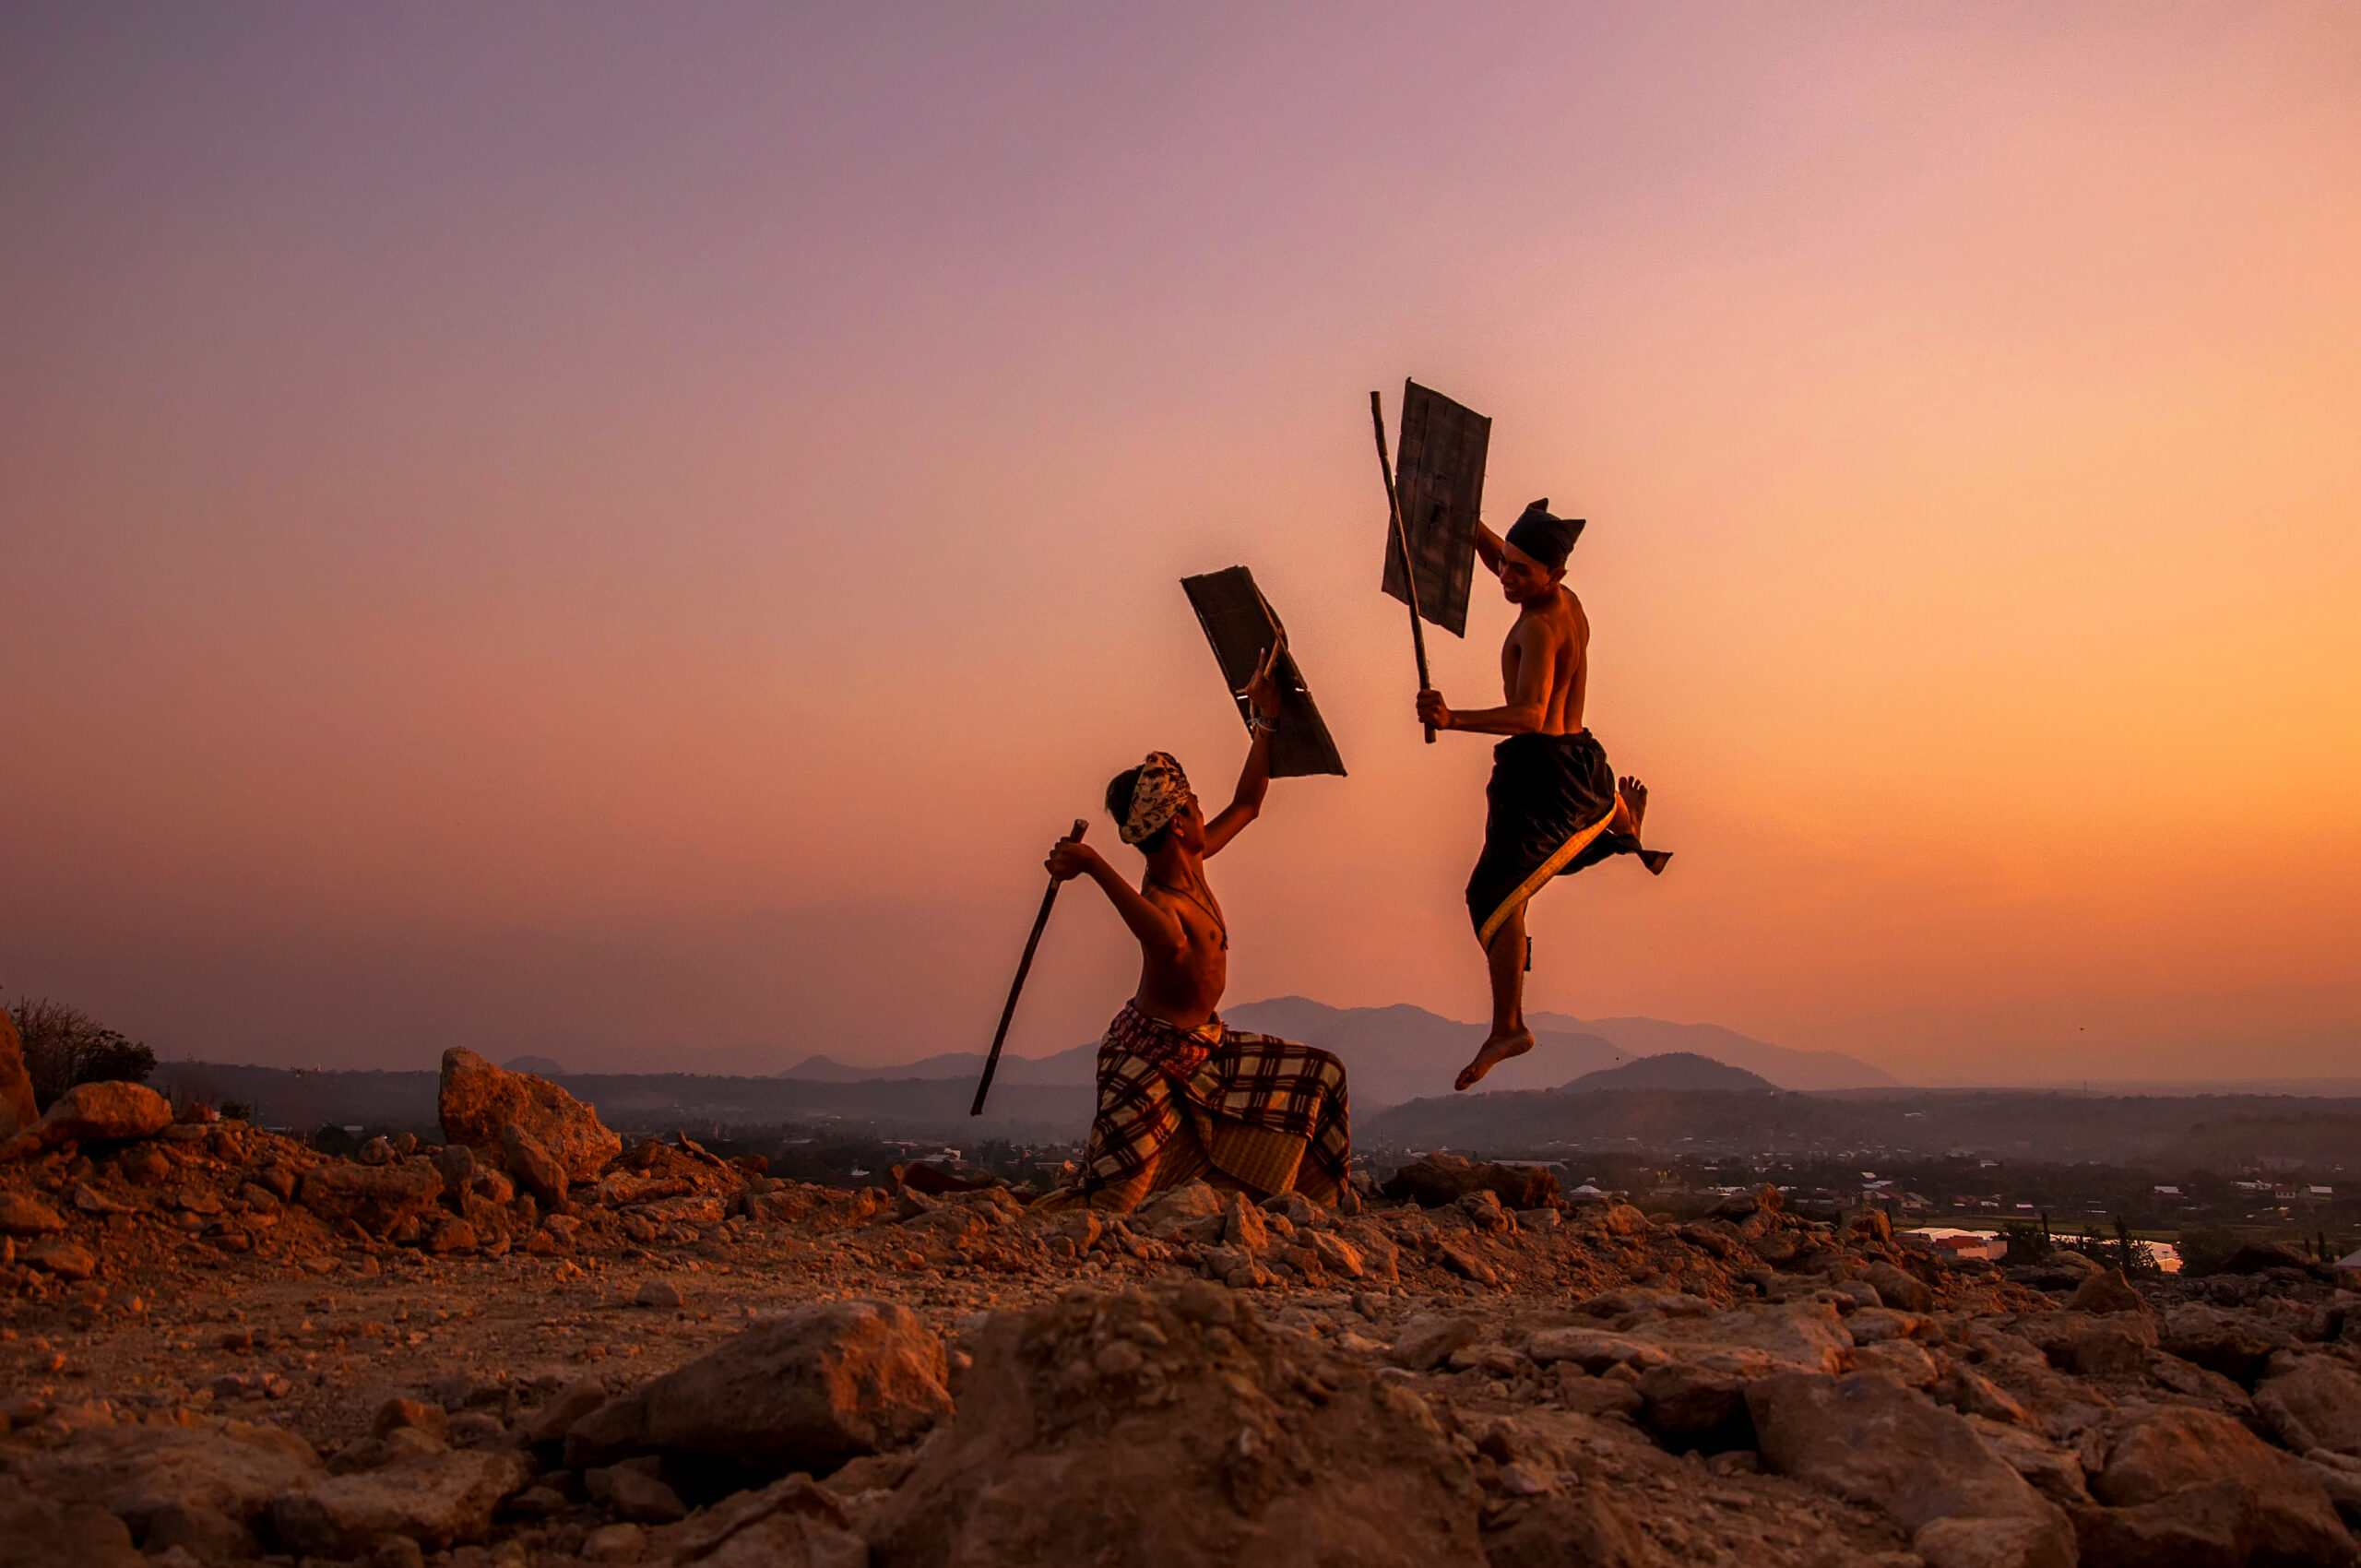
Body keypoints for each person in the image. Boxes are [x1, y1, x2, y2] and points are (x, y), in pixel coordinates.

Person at [1036, 639, 1352, 1213]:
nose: (1207, 814)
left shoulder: (1195, 866)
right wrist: (1092, 864)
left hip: (1206, 1047)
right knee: (1111, 1202)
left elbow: (1250, 802)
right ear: (1179, 822)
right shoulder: (1162, 902)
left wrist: (1267, 721)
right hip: (1146, 1057)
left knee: (1320, 1075)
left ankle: (1317, 1202)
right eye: (1198, 808)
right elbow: (1160, 937)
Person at [1416, 500, 1670, 1092]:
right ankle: (1617, 818)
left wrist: (1452, 719)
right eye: (1504, 562)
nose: (1506, 576)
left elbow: (1530, 715)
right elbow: (1506, 557)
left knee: (1495, 894)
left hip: (1542, 775)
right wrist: (1466, 524)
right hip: (1579, 758)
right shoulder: (1565, 605)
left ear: (1553, 575)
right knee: (1519, 885)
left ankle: (1509, 1026)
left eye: (1520, 571)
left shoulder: (1536, 626)